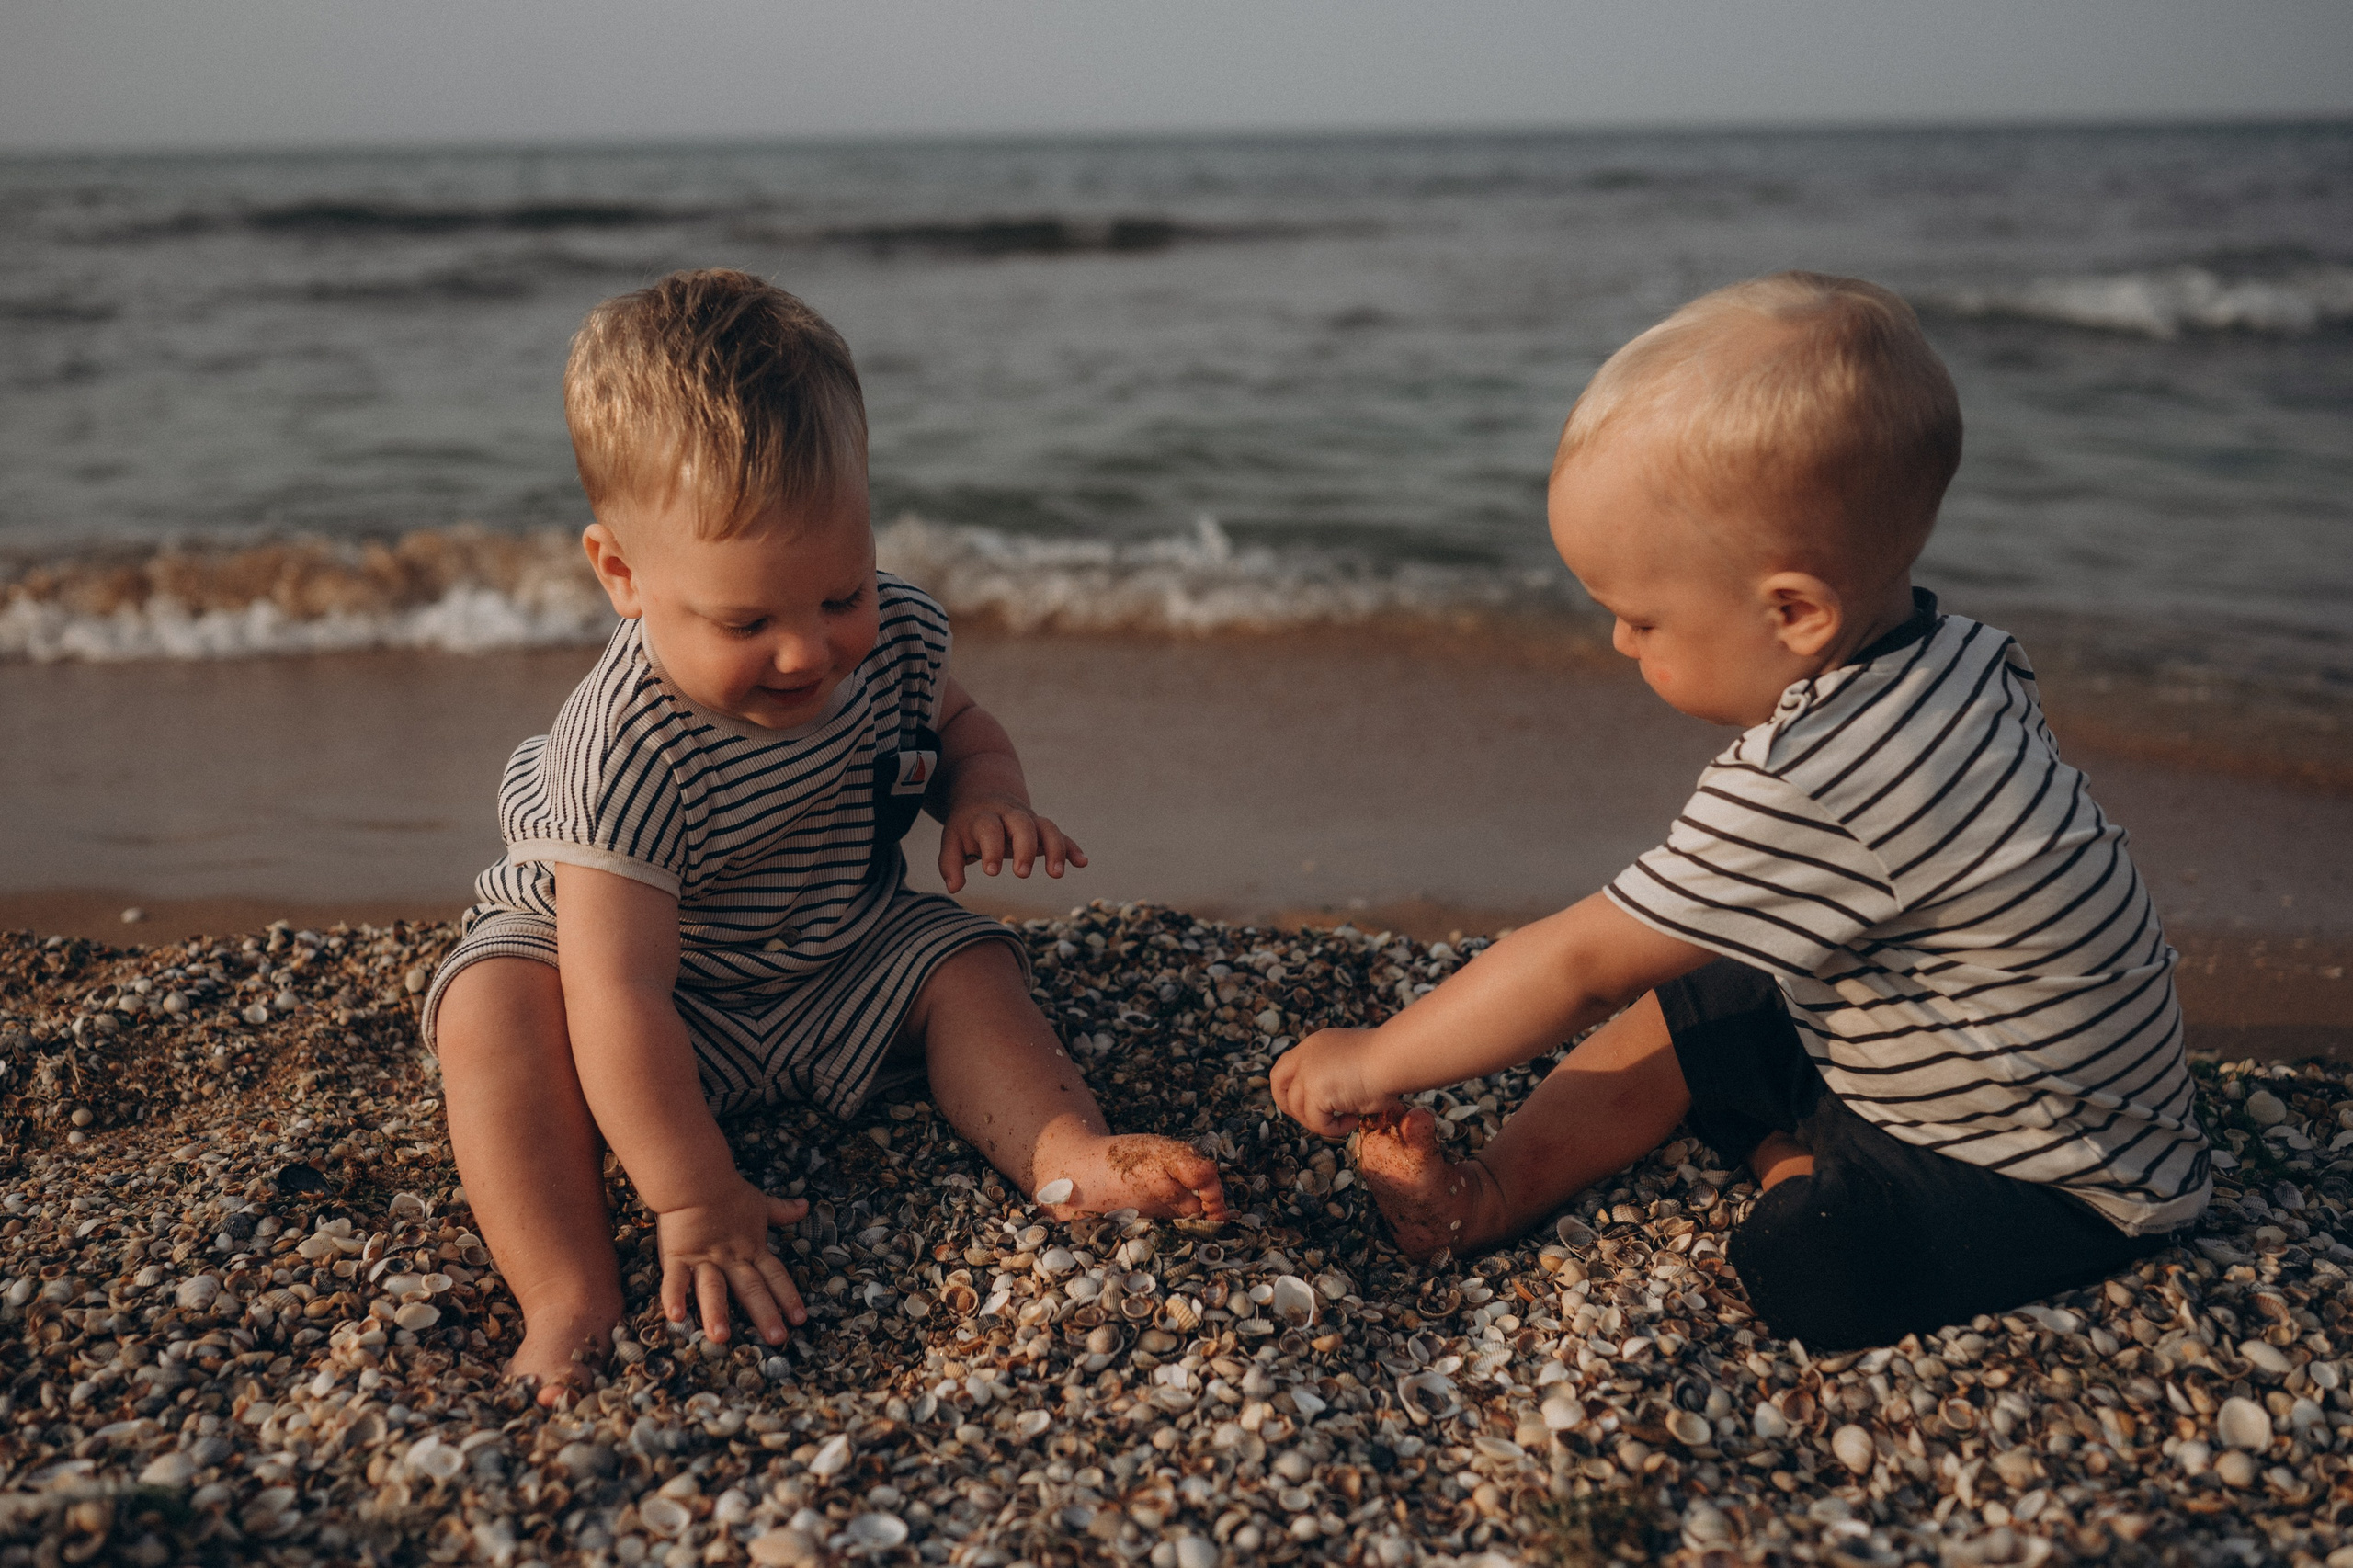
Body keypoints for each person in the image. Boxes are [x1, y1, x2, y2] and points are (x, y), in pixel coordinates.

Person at [1272, 272, 2207, 1350]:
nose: (1620, 643)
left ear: (1795, 611)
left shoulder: (1819, 772)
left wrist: (1379, 1055)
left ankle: (1794, 1156)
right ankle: (1487, 1193)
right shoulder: (1953, 652)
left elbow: (1579, 960)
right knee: (1693, 995)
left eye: (1640, 616)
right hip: (1942, 1041)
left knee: (1806, 1262)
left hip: (2048, 1167)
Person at [425, 269, 1225, 1398]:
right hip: (641, 986)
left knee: (966, 959)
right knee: (493, 1010)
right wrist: (694, 1191)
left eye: (837, 591)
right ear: (622, 575)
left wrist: (987, 791)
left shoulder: (891, 633)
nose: (808, 651)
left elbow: (959, 723)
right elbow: (620, 994)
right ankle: (566, 1292)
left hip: (828, 946)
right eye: (747, 619)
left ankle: (1066, 1155)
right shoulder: (629, 750)